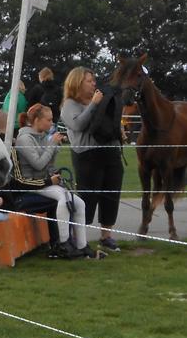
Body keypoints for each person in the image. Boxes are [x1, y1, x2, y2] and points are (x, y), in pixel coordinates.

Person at [15, 103, 91, 258]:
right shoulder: (24, 139)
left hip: (45, 183)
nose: (52, 123)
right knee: (63, 199)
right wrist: (51, 144)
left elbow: (48, 166)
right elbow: (38, 164)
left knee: (79, 203)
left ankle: (82, 245)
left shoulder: (42, 137)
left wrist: (54, 150)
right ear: (37, 120)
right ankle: (63, 244)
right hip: (33, 185)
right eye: (49, 120)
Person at [60, 67, 123, 252]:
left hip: (110, 152)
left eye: (94, 80)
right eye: (89, 81)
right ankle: (80, 238)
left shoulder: (102, 100)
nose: (94, 84)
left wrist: (118, 130)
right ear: (77, 83)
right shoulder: (69, 104)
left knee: (111, 194)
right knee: (88, 197)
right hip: (87, 155)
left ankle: (106, 236)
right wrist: (93, 104)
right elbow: (78, 124)